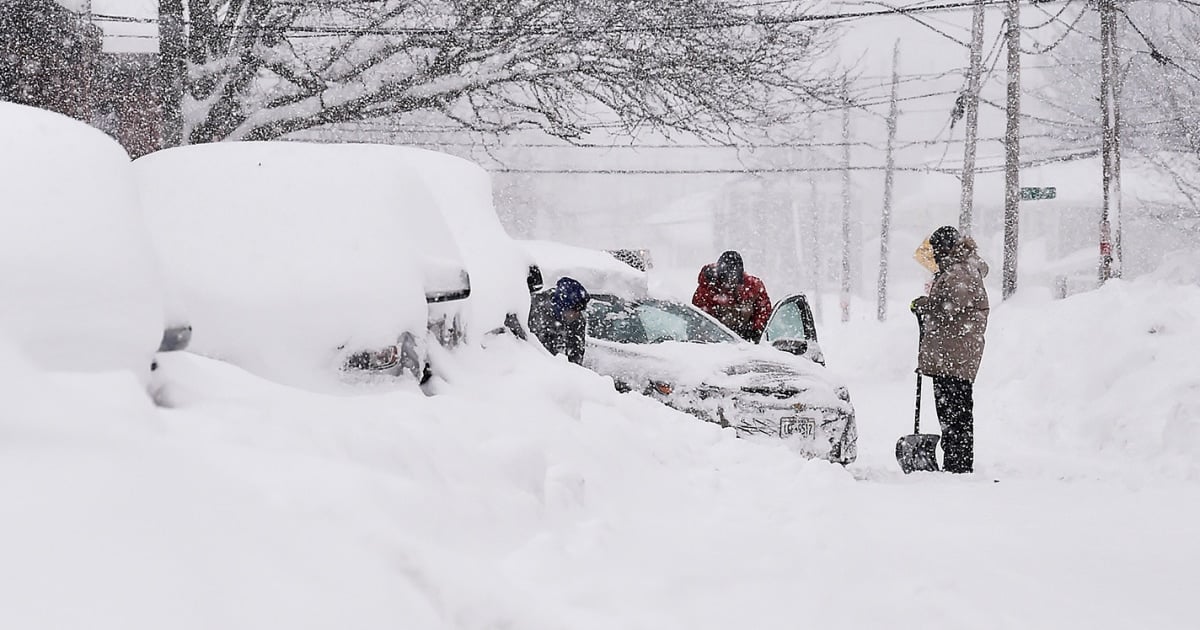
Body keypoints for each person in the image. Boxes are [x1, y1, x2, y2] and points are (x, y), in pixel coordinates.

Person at [910, 226, 990, 474]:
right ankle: (957, 460)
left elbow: (951, 304)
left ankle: (958, 463)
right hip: (953, 354)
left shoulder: (959, 272)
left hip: (954, 355)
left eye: (935, 250)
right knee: (955, 411)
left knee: (954, 412)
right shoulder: (960, 268)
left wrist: (925, 305)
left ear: (944, 249)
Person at [692, 250, 773, 342]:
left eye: (733, 278)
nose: (729, 282)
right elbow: (697, 317)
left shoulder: (753, 287)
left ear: (740, 276)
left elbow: (764, 311)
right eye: (725, 278)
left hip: (745, 342)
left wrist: (755, 330)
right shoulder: (707, 288)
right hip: (714, 342)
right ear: (718, 275)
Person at [528, 276, 590, 365]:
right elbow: (531, 346)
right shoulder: (536, 311)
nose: (578, 315)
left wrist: (575, 371)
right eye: (574, 311)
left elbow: (576, 351)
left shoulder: (577, 320)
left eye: (580, 311)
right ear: (562, 307)